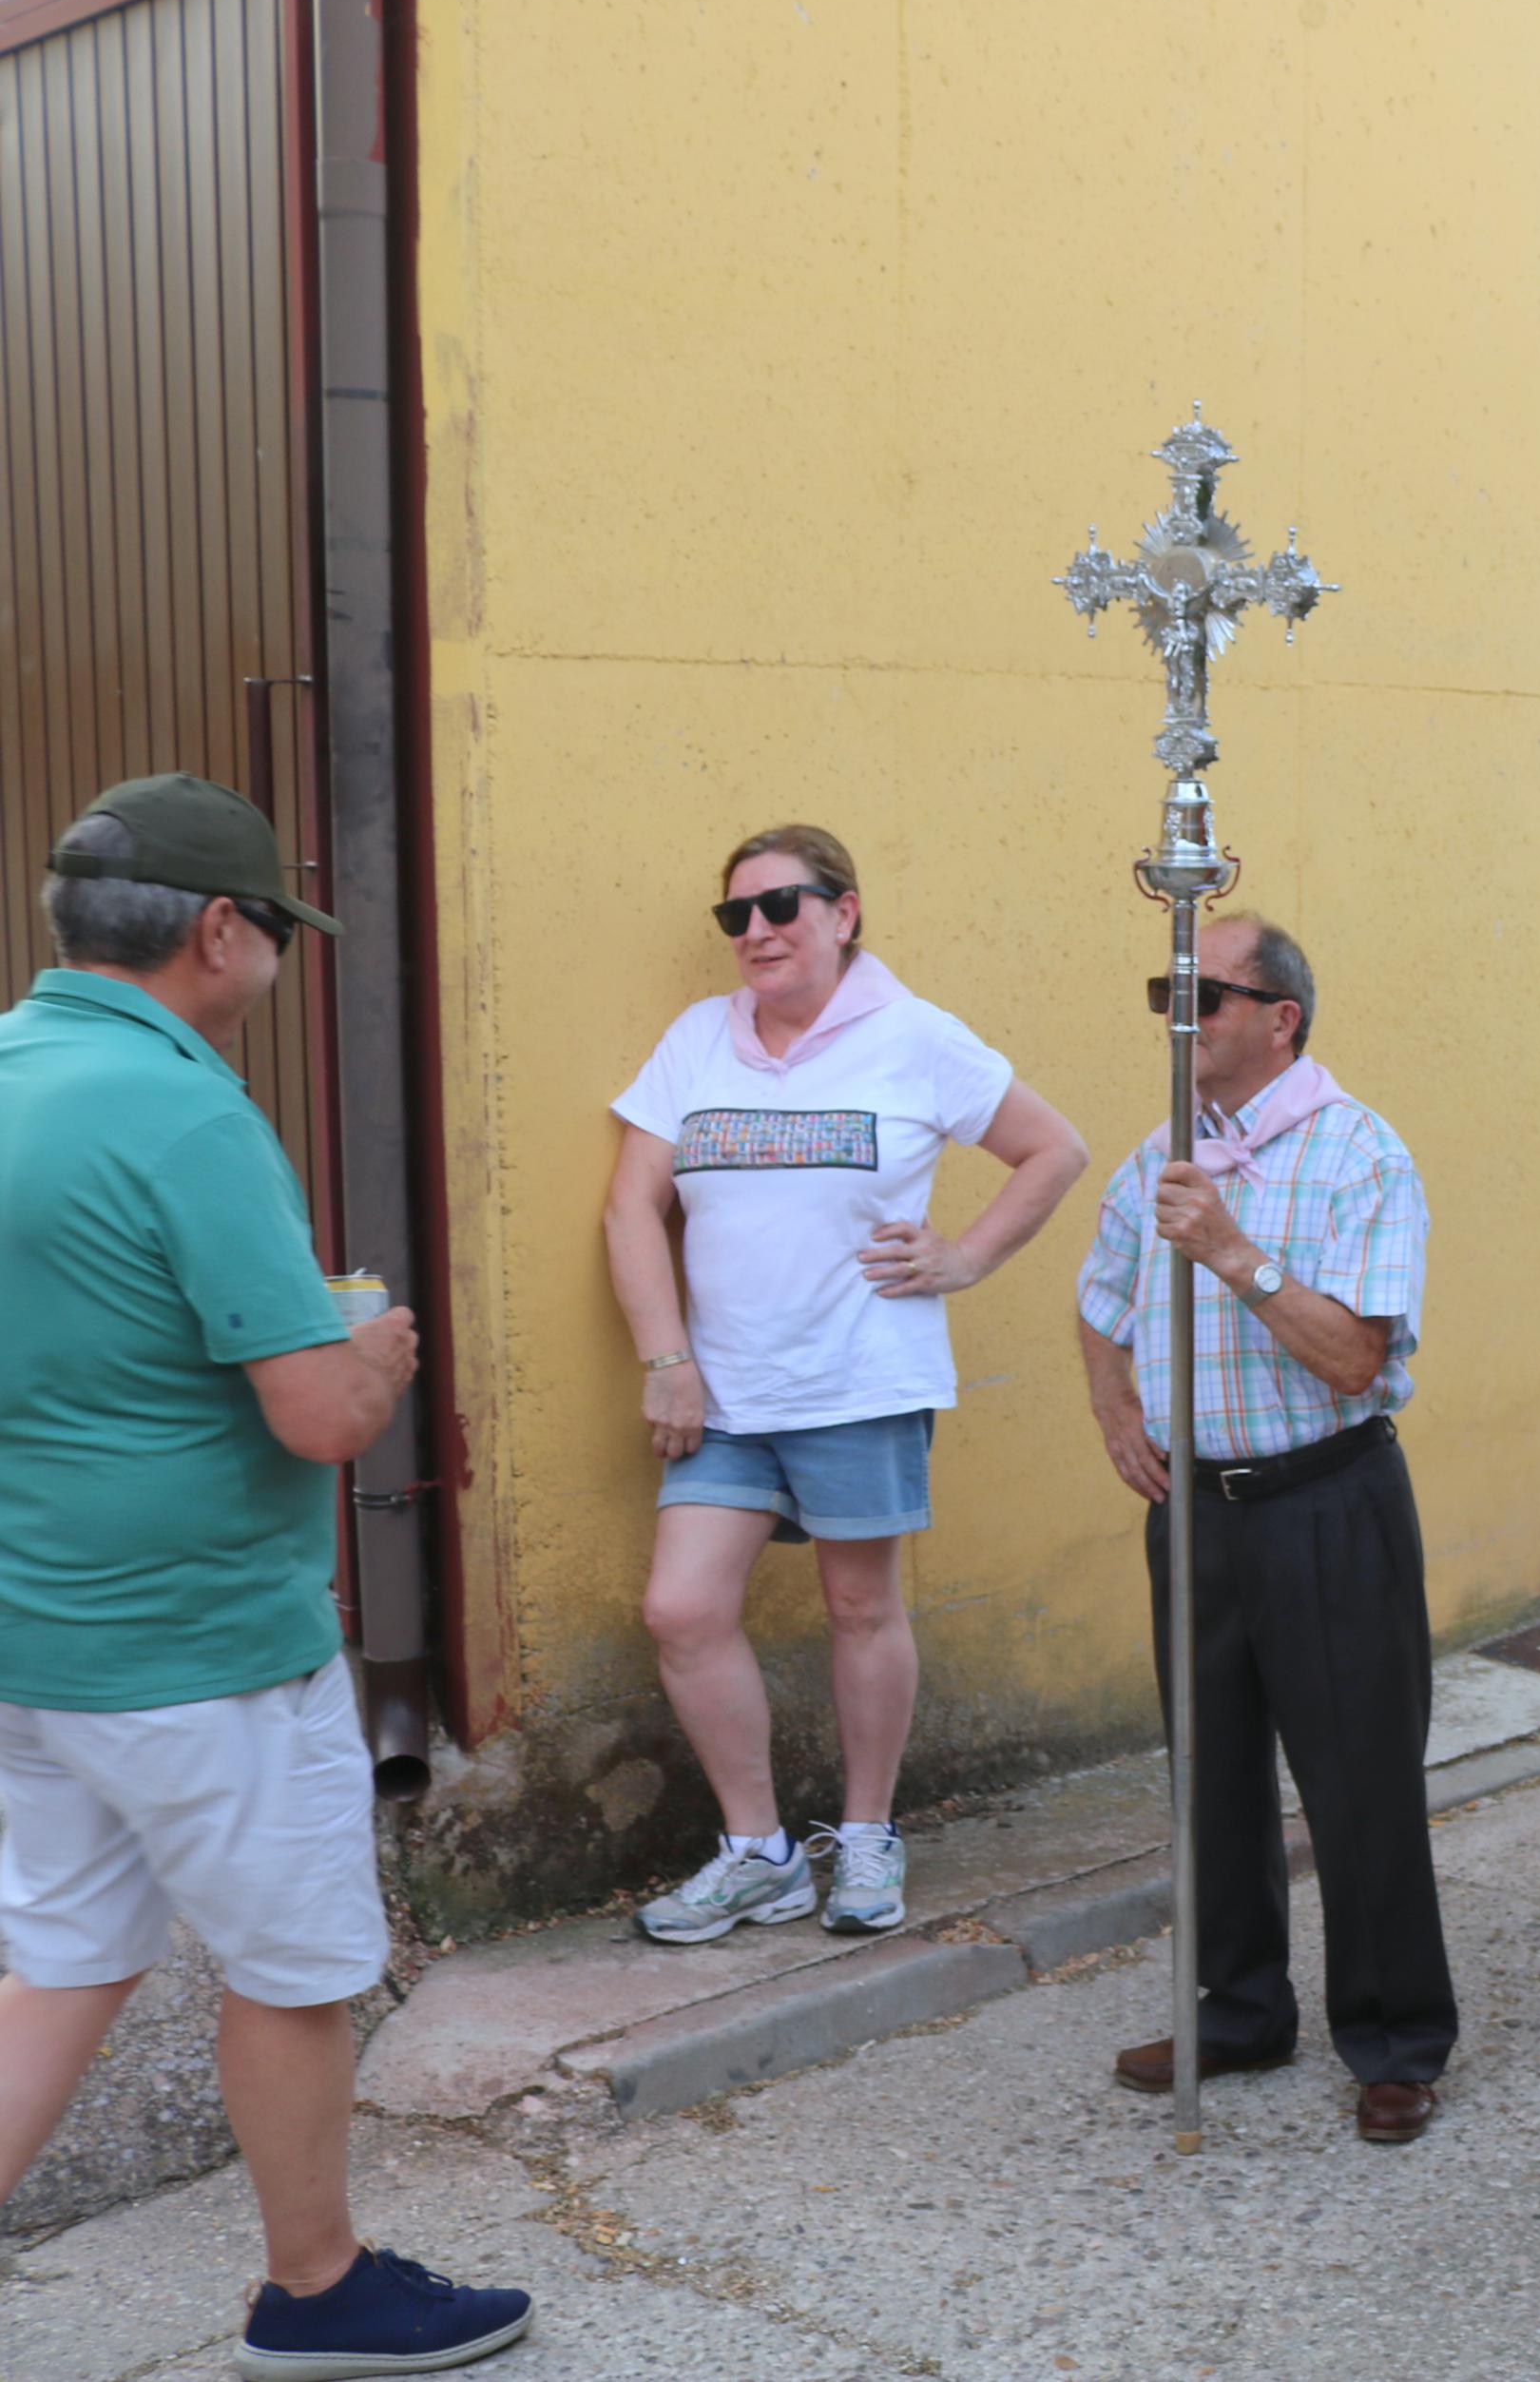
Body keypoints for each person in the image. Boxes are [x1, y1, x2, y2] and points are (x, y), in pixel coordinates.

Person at [0, 776, 534, 2373]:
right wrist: (370, 1352)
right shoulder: (188, 1114)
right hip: (207, 1646)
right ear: (218, 932)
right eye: (278, 935)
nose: (279, 964)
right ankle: (318, 2292)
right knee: (296, 1971)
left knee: (62, 1961)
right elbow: (313, 1419)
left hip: (37, 1639)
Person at [603, 826, 1089, 1944]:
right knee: (681, 1607)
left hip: (858, 1377)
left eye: (783, 906)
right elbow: (632, 1205)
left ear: (844, 911)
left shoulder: (913, 1037)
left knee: (860, 1604)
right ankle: (758, 1852)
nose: (758, 932)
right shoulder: (696, 1042)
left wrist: (962, 1258)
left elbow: (1052, 1148)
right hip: (720, 1392)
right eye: (738, 916)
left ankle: (866, 1834)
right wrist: (667, 1358)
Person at [1074, 915, 1453, 2143]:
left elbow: (1353, 1356)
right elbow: (1097, 1294)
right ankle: (1236, 2007)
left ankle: (1394, 2037)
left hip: (1325, 1501)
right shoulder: (1160, 1155)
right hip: (1198, 1509)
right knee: (1212, 1776)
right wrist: (1116, 1409)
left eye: (1204, 994)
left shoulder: (1358, 1153)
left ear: (1280, 1016)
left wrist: (1233, 1252)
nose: (1180, 1018)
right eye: (1166, 992)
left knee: (1358, 1780)